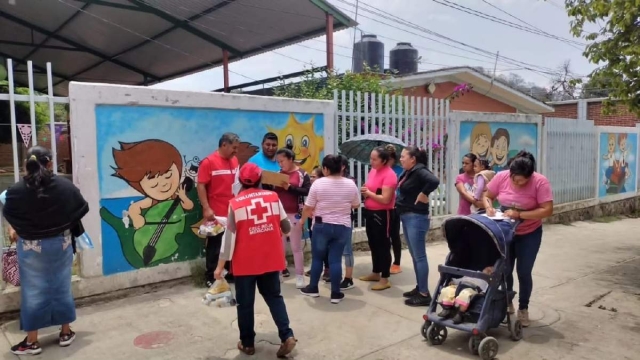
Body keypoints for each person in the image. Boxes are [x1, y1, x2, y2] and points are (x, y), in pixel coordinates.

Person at [1, 146, 89, 355]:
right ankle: (66, 333)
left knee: (33, 292)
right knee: (62, 286)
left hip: (32, 248)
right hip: (62, 244)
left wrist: (21, 230)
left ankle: (32, 342)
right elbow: (79, 209)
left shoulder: (15, 192)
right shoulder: (65, 187)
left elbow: (12, 218)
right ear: (49, 163)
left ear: (26, 165)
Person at [214, 162, 296, 357]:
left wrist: (219, 267)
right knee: (274, 297)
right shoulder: (273, 197)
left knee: (245, 304)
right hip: (270, 260)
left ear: (241, 181)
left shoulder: (235, 203)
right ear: (260, 179)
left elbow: (229, 240)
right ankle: (287, 335)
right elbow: (286, 228)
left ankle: (248, 344)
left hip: (245, 263)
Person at [484, 151, 553, 327]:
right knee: (504, 270)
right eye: (514, 179)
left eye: (522, 180)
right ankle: (507, 303)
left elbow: (547, 210)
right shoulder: (502, 176)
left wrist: (520, 214)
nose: (517, 183)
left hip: (529, 233)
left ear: (530, 176)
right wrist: (489, 207)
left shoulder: (540, 182)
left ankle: (523, 308)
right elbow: (487, 195)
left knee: (523, 271)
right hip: (506, 232)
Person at [299, 155, 360, 304]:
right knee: (335, 260)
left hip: (321, 226)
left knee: (318, 258)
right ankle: (335, 293)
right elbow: (356, 204)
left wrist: (301, 221)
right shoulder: (350, 184)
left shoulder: (318, 184)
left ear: (325, 169)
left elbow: (308, 207)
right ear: (341, 168)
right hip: (342, 227)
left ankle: (313, 288)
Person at [396, 146, 440, 307]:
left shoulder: (420, 170)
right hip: (408, 216)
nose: (400, 159)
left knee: (419, 256)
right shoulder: (410, 171)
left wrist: (424, 194)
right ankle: (420, 287)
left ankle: (424, 294)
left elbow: (434, 181)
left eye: (403, 157)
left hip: (416, 217)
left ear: (413, 159)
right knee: (415, 255)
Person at [197, 132, 240, 286]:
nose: (236, 151)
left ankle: (226, 273)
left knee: (231, 244)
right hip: (216, 213)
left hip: (233, 210)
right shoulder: (208, 162)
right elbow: (201, 185)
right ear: (224, 145)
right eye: (234, 148)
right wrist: (206, 208)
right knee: (215, 246)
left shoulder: (234, 160)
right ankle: (210, 277)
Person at [358, 146, 398, 291]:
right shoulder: (373, 171)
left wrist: (368, 193)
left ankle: (385, 277)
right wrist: (365, 192)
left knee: (383, 245)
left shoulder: (390, 175)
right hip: (370, 211)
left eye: (375, 159)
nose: (372, 162)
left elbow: (386, 199)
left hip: (383, 214)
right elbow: (372, 190)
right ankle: (376, 272)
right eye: (371, 158)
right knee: (373, 243)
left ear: (384, 160)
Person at [274, 146, 311, 288]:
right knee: (279, 246)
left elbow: (307, 191)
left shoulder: (302, 174)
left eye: (282, 161)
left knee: (296, 247)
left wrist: (290, 188)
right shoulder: (278, 174)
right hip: (279, 214)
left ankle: (300, 276)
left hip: (295, 214)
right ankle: (279, 273)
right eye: (278, 162)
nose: (280, 164)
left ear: (290, 159)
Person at [304, 167, 330, 282]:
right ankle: (315, 269)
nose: (311, 179)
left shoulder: (324, 188)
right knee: (315, 245)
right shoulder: (311, 188)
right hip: (312, 219)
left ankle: (328, 269)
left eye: (314, 177)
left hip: (321, 221)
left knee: (324, 246)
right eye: (311, 176)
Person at [388, 145, 404, 274]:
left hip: (395, 206)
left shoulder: (400, 171)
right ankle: (386, 261)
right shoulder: (379, 171)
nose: (387, 162)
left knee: (394, 234)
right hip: (382, 206)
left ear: (394, 159)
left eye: (389, 159)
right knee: (384, 236)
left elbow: (401, 188)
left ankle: (397, 262)